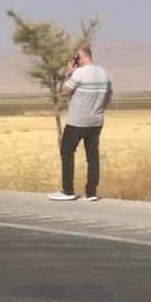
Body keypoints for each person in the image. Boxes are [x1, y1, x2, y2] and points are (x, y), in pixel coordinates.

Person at [49, 44, 113, 201]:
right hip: (96, 121)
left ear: (80, 56)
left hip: (77, 121)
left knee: (67, 151)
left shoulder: (79, 73)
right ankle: (91, 192)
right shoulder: (104, 72)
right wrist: (99, 109)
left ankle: (67, 190)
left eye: (75, 57)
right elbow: (108, 95)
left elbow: (64, 92)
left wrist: (68, 74)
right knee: (92, 155)